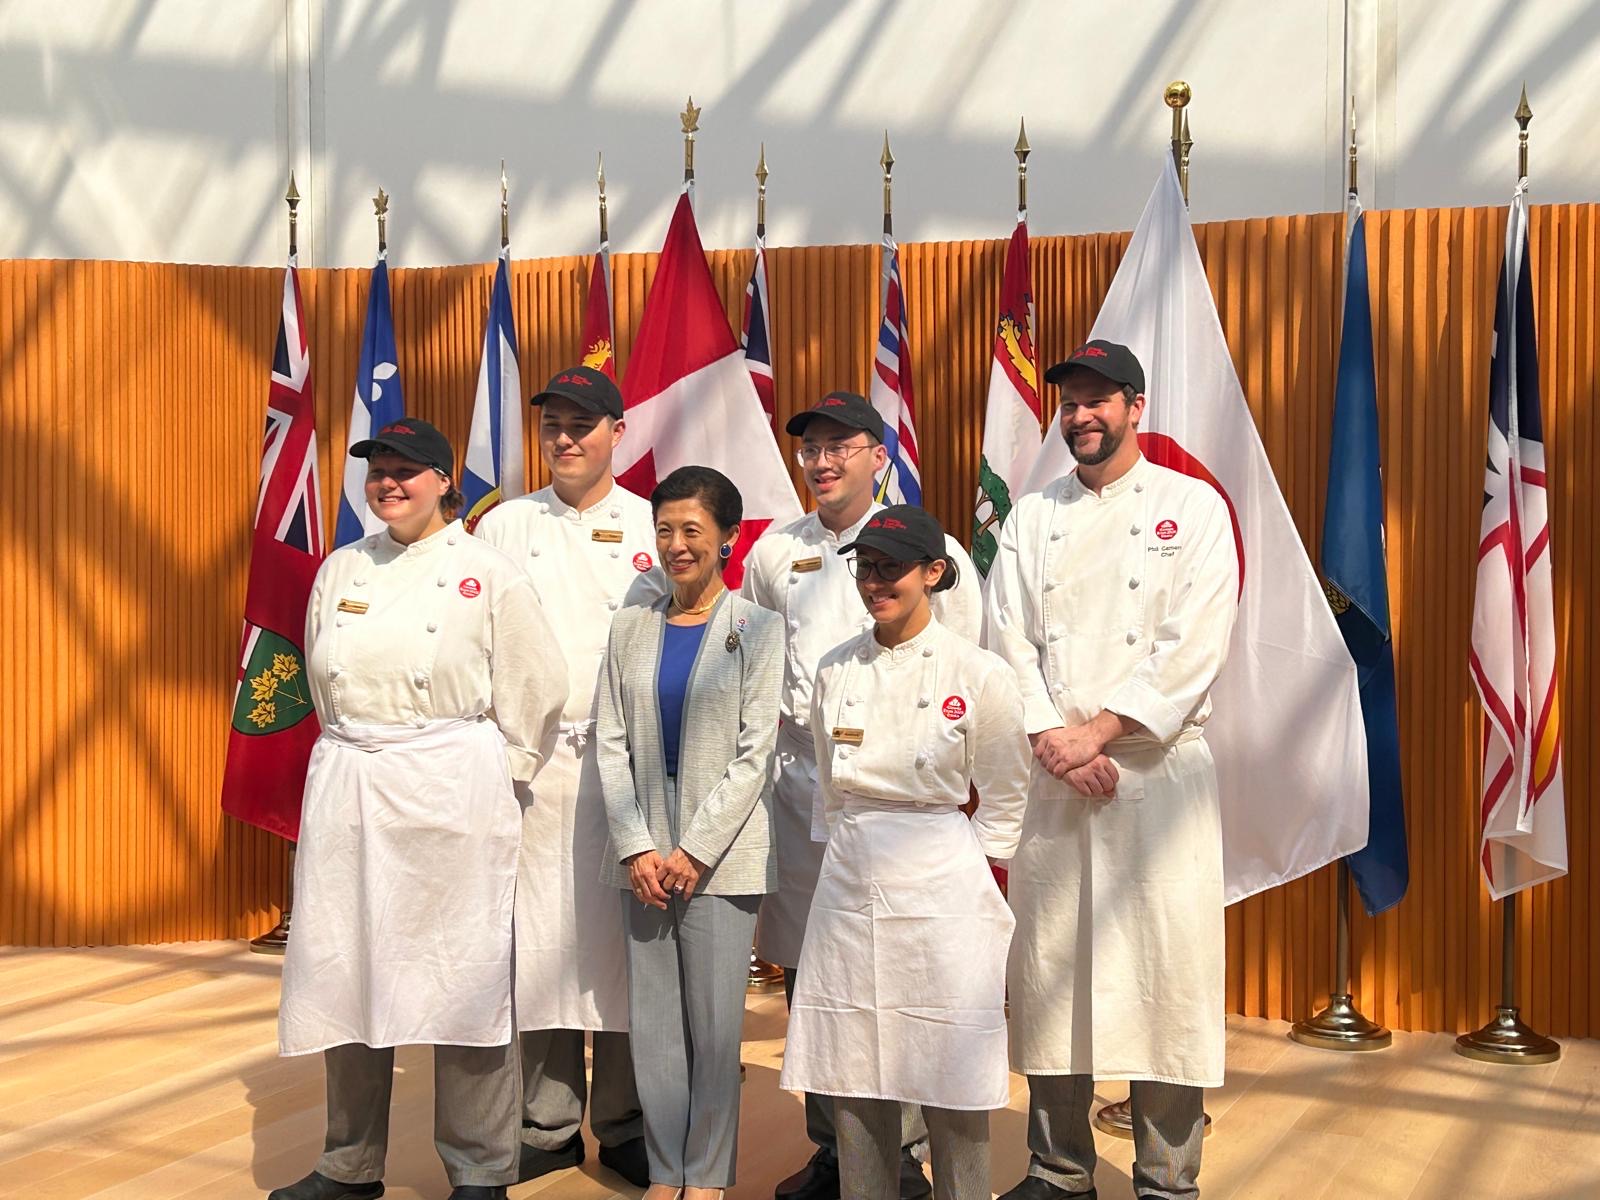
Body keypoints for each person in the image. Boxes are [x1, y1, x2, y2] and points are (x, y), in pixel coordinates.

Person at [271, 418, 567, 1200]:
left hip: (449, 790)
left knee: (463, 982)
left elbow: (537, 685)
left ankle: (480, 1172)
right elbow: (317, 667)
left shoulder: (485, 570)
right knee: (345, 972)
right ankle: (348, 1164)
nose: (389, 484)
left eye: (408, 470)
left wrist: (501, 771)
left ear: (445, 481)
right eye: (378, 470)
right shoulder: (341, 568)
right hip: (352, 790)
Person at [984, 341, 1240, 1200]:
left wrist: (1100, 730)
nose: (1081, 415)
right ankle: (1058, 1170)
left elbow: (1193, 646)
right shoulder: (1030, 517)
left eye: (1098, 399)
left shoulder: (1192, 508)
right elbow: (1006, 638)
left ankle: (1168, 1177)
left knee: (1168, 980)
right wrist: (1057, 737)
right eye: (1070, 402)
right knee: (1053, 976)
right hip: (1056, 777)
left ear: (1136, 404)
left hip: (1156, 775)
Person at [741, 391, 981, 1200]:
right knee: (823, 981)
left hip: (905, 808)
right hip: (807, 791)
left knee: (907, 978)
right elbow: (753, 663)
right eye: (811, 448)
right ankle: (838, 1149)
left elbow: (968, 671)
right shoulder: (776, 552)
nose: (823, 461)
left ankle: (903, 1153)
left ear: (879, 457)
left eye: (841, 446)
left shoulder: (934, 547)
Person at [780, 505, 1029, 1200]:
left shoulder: (978, 674)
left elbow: (1008, 791)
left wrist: (966, 866)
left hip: (943, 880)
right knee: (854, 1069)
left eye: (893, 568)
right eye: (867, 567)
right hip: (851, 881)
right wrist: (849, 858)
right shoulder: (835, 668)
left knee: (952, 1069)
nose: (876, 582)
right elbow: (830, 786)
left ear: (934, 573)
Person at [475, 365, 663, 1189]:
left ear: (618, 432)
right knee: (539, 945)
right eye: (553, 423)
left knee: (626, 948)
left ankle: (623, 1119)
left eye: (583, 424)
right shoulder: (502, 527)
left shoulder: (656, 526)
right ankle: (544, 1122)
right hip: (533, 766)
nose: (564, 438)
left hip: (629, 765)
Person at [596, 465, 782, 1200]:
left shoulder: (758, 630)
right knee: (655, 1026)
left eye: (693, 531)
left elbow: (754, 752)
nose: (677, 545)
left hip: (721, 861)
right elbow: (611, 743)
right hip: (642, 859)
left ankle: (704, 1175)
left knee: (712, 1029)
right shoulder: (629, 626)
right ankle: (664, 1168)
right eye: (665, 530)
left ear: (728, 540)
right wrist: (636, 844)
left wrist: (694, 849)